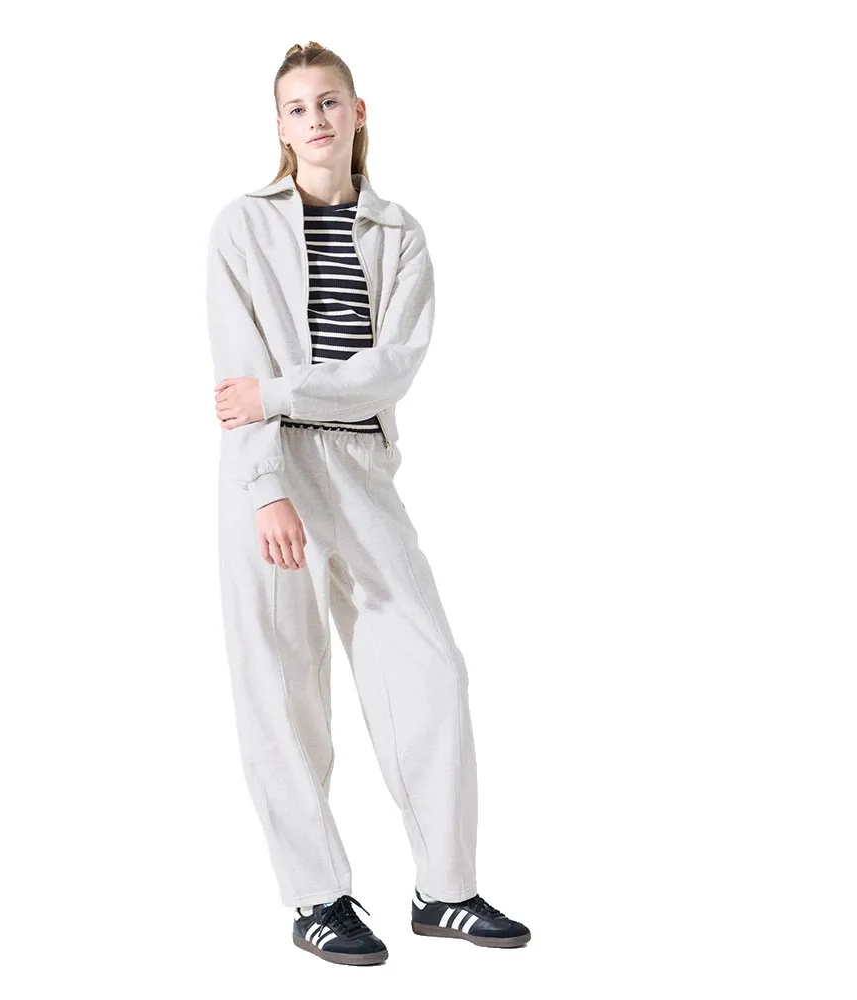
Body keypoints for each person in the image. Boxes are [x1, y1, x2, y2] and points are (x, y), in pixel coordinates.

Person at [206, 41, 530, 966]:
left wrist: (278, 391)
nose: (314, 118)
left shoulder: (400, 233)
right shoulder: (241, 226)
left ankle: (445, 889)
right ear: (279, 127)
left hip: (360, 464)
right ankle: (317, 898)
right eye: (296, 107)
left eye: (328, 101)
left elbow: (391, 370)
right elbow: (237, 371)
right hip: (271, 466)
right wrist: (265, 485)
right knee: (284, 685)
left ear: (357, 112)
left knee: (431, 668)